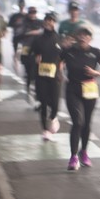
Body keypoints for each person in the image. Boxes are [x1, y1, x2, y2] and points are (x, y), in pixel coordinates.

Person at [60, 23, 100, 171]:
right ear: (76, 36)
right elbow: (58, 63)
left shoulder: (96, 52)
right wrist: (60, 75)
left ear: (90, 38)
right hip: (73, 89)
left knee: (87, 123)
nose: (83, 37)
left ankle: (84, 152)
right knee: (77, 121)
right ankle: (73, 156)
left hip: (89, 89)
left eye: (86, 34)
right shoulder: (69, 51)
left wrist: (97, 73)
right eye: (81, 34)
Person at [31, 12, 62, 141]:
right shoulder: (38, 39)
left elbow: (64, 55)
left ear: (54, 23)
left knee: (55, 104)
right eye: (47, 20)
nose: (49, 22)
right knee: (43, 103)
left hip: (55, 76)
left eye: (51, 20)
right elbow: (33, 53)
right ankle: (45, 130)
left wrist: (62, 65)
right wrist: (36, 57)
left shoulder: (59, 38)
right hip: (41, 75)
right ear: (44, 22)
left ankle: (53, 117)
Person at [20, 6, 43, 106]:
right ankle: (28, 92)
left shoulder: (40, 22)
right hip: (26, 50)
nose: (33, 14)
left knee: (37, 74)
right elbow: (20, 34)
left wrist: (32, 32)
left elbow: (43, 31)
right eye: (31, 12)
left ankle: (37, 96)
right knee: (28, 73)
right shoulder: (24, 22)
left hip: (37, 51)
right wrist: (34, 32)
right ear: (28, 13)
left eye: (34, 12)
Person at [8, 0, 26, 74]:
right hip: (16, 37)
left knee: (23, 52)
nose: (21, 6)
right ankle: (16, 64)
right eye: (20, 5)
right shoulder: (14, 16)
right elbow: (10, 25)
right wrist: (16, 24)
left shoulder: (26, 16)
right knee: (16, 52)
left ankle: (21, 64)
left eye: (22, 5)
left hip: (24, 37)